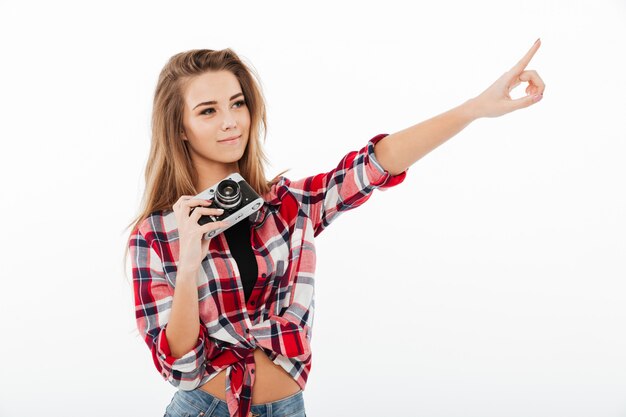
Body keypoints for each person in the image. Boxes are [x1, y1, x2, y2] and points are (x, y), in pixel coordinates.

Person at [125, 41, 545, 417]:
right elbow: (178, 364)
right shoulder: (155, 235)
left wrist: (473, 108)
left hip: (288, 407)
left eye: (238, 104)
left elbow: (373, 166)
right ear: (179, 127)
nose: (231, 121)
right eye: (208, 111)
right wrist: (188, 261)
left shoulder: (287, 206)